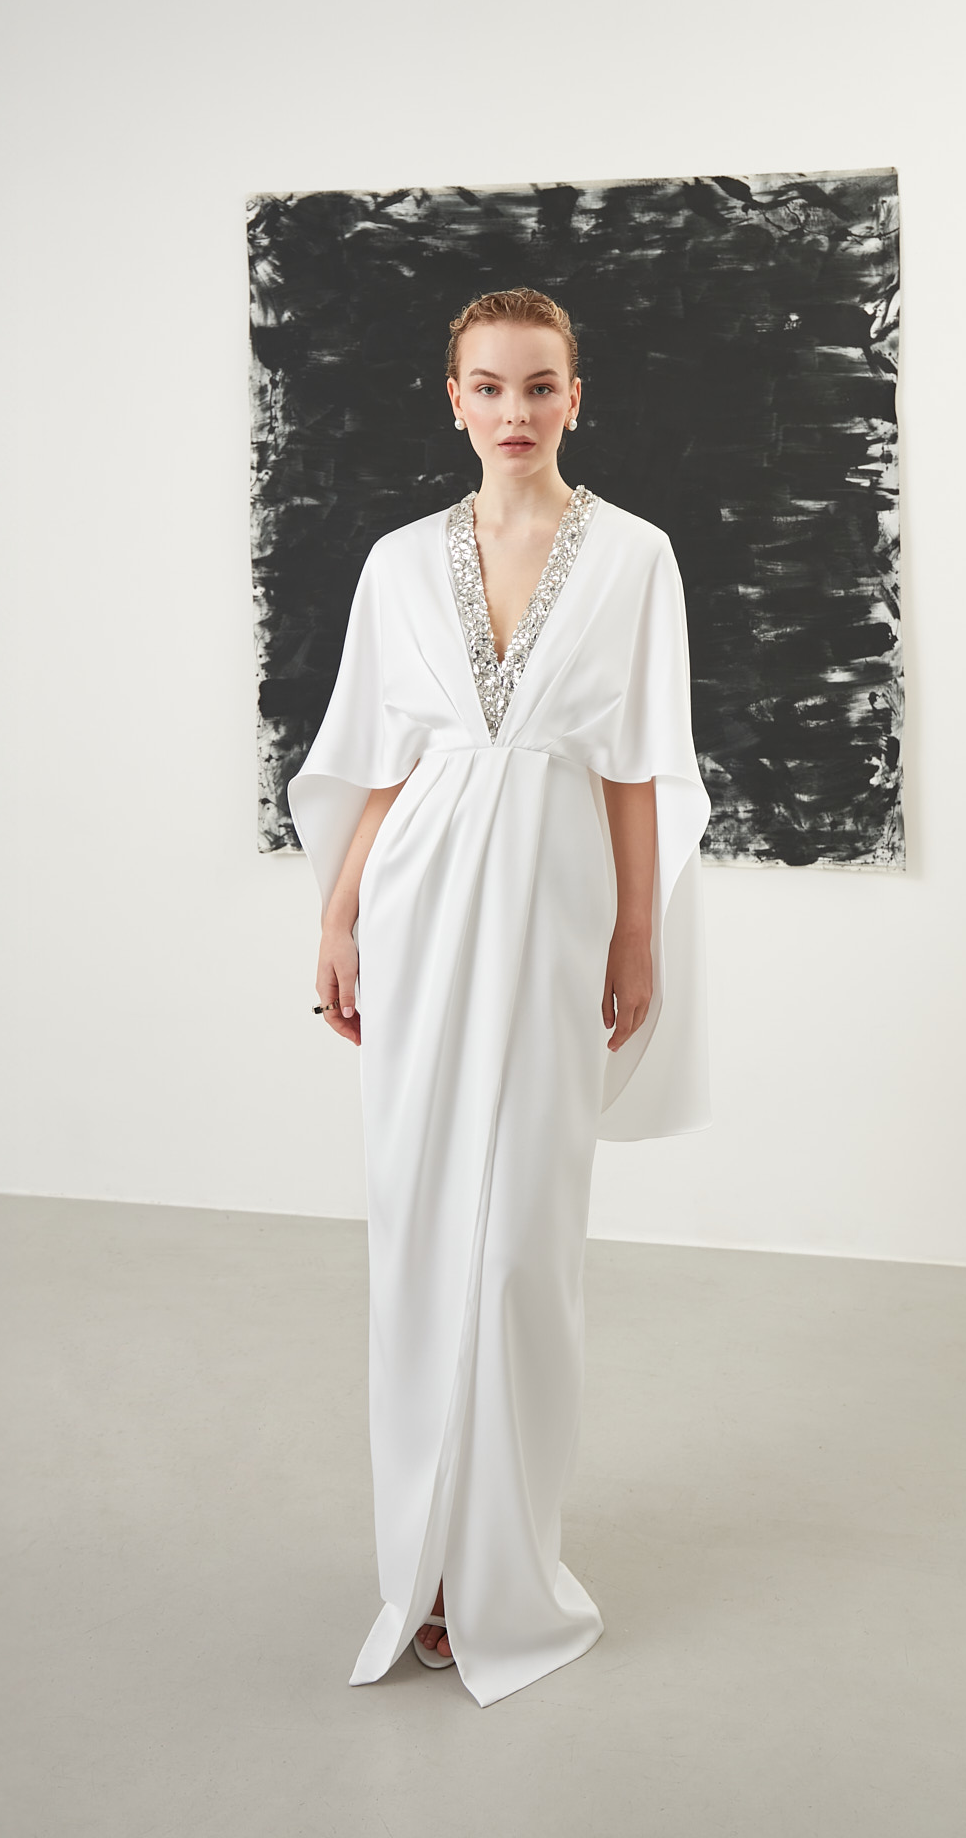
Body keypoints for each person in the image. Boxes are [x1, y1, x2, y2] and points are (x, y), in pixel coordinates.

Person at [287, 287, 711, 1707]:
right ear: (453, 397)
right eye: (489, 385)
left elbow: (639, 764)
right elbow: (383, 758)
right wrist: (339, 914)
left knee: (524, 1241)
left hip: (556, 904)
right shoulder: (400, 562)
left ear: (576, 397)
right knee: (417, 1227)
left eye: (540, 386)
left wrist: (637, 933)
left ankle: (504, 1570)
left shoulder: (636, 557)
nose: (514, 411)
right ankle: (419, 1569)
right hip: (416, 903)